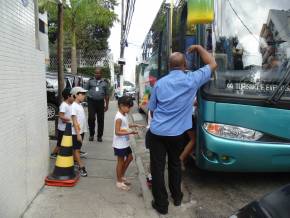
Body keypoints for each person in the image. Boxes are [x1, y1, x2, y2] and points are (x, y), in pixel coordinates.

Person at [147, 45, 217, 215]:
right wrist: (199, 48)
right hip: (177, 134)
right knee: (175, 164)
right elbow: (212, 63)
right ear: (184, 65)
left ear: (170, 66)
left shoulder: (159, 84)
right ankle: (177, 197)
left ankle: (161, 204)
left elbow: (152, 108)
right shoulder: (192, 79)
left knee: (157, 168)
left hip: (157, 133)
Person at [113, 96, 143, 191]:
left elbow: (125, 125)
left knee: (130, 158)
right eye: (128, 107)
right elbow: (117, 132)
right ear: (121, 106)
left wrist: (135, 125)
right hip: (119, 143)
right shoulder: (119, 117)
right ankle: (119, 181)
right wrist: (131, 132)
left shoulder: (124, 115)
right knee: (120, 161)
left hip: (125, 142)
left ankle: (121, 176)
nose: (129, 109)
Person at [85, 67, 109, 142]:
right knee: (91, 118)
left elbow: (107, 95)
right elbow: (85, 90)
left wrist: (107, 105)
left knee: (100, 120)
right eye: (95, 73)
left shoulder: (105, 82)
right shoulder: (90, 81)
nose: (97, 74)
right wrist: (86, 99)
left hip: (101, 103)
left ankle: (99, 136)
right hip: (91, 102)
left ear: (101, 74)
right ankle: (91, 134)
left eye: (98, 73)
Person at [50, 88, 74, 159]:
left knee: (67, 142)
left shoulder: (69, 104)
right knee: (60, 143)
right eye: (73, 96)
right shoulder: (64, 105)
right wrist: (70, 120)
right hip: (63, 129)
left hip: (67, 127)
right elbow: (61, 116)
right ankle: (54, 154)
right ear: (68, 96)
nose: (74, 97)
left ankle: (66, 153)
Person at [71, 86, 88, 177]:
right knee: (76, 149)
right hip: (76, 132)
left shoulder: (79, 105)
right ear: (76, 95)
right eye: (82, 94)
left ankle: (75, 163)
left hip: (81, 131)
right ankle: (81, 167)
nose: (84, 96)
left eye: (84, 94)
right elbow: (74, 121)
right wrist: (78, 134)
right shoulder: (73, 106)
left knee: (77, 149)